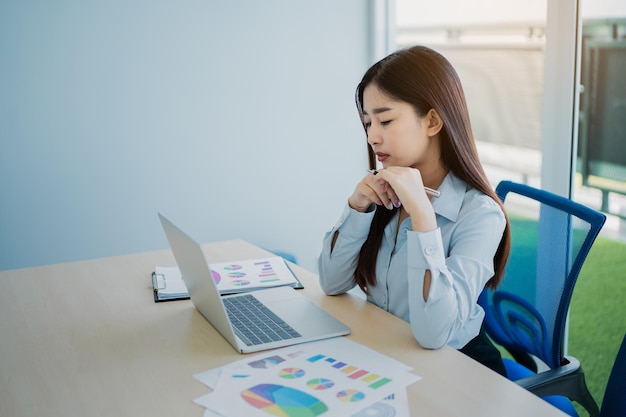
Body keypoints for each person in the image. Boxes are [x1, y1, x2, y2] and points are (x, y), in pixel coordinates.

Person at [318, 45, 511, 376]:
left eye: (386, 120)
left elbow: (434, 333)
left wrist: (423, 218)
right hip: (387, 352)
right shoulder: (385, 193)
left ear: (433, 121)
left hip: (458, 367)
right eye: (367, 123)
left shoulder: (480, 214)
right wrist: (358, 208)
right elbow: (332, 282)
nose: (372, 137)